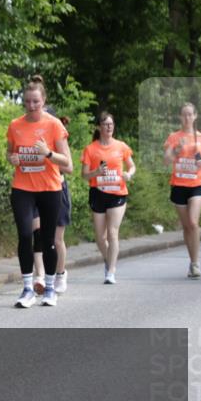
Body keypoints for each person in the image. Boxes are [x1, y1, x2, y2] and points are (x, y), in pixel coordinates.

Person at [6, 76, 73, 307]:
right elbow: (10, 153)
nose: (31, 106)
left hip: (50, 188)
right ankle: (27, 289)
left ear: (43, 101)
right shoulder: (15, 125)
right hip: (23, 188)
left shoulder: (54, 125)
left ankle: (51, 289)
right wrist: (12, 158)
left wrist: (47, 153)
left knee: (48, 240)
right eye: (27, 101)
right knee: (25, 236)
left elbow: (68, 164)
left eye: (36, 101)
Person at [81, 112, 135, 284]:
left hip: (117, 193)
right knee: (99, 237)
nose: (109, 127)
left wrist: (129, 174)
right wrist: (96, 172)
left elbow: (132, 166)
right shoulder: (91, 149)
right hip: (98, 193)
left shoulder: (121, 146)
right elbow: (84, 175)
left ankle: (111, 271)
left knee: (113, 233)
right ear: (99, 127)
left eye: (111, 124)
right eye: (105, 124)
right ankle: (109, 260)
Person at [163, 102, 201, 279]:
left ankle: (196, 264)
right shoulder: (174, 136)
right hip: (179, 185)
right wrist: (176, 149)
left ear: (195, 116)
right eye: (184, 114)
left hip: (196, 184)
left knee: (193, 221)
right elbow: (166, 161)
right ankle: (191, 261)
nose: (187, 117)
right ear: (180, 117)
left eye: (190, 114)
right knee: (186, 225)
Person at [31, 110, 72, 295]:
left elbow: (69, 167)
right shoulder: (30, 137)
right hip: (34, 189)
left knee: (56, 239)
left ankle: (60, 274)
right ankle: (39, 277)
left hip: (57, 190)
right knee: (38, 235)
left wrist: (49, 154)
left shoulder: (58, 140)